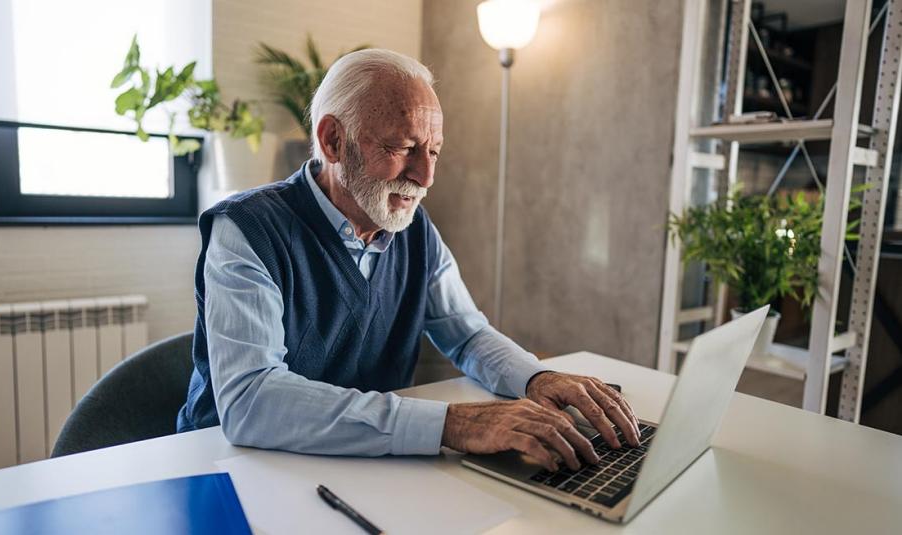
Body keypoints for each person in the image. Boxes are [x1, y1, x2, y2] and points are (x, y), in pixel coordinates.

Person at [177, 49, 639, 472]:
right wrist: (454, 424)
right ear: (334, 140)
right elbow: (252, 400)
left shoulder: (412, 227)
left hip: (361, 463)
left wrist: (537, 377)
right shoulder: (246, 229)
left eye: (433, 151)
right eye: (403, 148)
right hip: (231, 467)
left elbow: (469, 334)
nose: (426, 176)